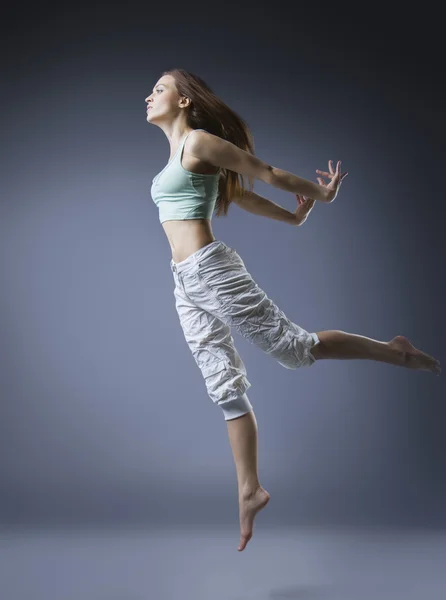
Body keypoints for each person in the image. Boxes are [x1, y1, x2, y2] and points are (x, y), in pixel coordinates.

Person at [145, 69, 441, 552]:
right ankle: (249, 491)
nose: (149, 95)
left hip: (211, 270)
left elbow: (265, 172)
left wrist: (320, 195)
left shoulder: (198, 142)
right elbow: (238, 194)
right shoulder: (174, 162)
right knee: (222, 385)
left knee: (296, 351)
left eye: (159, 88)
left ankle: (394, 351)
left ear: (183, 101)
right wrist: (294, 216)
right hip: (185, 283)